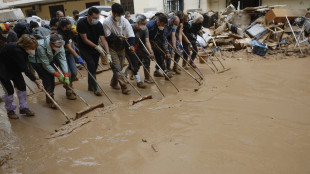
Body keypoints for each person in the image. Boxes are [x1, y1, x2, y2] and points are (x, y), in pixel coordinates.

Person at [0, 34, 43, 119]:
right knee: (10, 92)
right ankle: (10, 110)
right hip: (3, 71)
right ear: (25, 46)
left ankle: (23, 108)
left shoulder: (24, 50)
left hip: (15, 69)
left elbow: (25, 64)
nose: (33, 50)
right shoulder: (16, 50)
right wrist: (37, 82)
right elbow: (25, 69)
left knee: (22, 88)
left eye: (34, 47)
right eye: (32, 48)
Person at [29, 33, 70, 109]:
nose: (59, 47)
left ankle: (50, 96)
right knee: (47, 79)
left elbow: (63, 59)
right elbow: (46, 64)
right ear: (51, 43)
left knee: (51, 78)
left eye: (61, 46)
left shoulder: (60, 44)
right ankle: (50, 99)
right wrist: (58, 75)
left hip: (49, 58)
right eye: (57, 46)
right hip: (37, 62)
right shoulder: (41, 46)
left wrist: (66, 74)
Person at [77, 7, 111, 96]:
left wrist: (108, 53)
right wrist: (97, 47)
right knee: (91, 64)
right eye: (94, 18)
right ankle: (96, 88)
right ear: (89, 16)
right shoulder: (81, 23)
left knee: (94, 67)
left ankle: (90, 86)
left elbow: (103, 40)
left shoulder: (99, 25)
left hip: (95, 48)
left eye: (97, 18)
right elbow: (84, 39)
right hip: (84, 48)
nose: (96, 20)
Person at [103, 3, 134, 95]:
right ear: (113, 13)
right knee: (117, 67)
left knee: (119, 67)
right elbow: (108, 36)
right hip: (111, 46)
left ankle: (113, 82)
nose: (119, 16)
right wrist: (117, 36)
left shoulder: (124, 20)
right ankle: (124, 87)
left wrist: (131, 45)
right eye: (118, 15)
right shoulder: (107, 22)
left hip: (122, 46)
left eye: (121, 15)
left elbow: (130, 33)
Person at [57, 18, 85, 99]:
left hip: (70, 54)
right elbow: (68, 47)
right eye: (67, 28)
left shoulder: (70, 31)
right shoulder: (60, 34)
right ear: (62, 27)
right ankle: (69, 91)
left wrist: (73, 46)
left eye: (69, 28)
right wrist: (78, 57)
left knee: (74, 72)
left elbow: (71, 41)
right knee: (67, 74)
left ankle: (68, 84)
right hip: (62, 56)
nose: (68, 29)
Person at [130, 14, 155, 85]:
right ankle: (131, 73)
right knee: (136, 61)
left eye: (145, 23)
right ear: (138, 22)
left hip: (141, 45)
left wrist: (151, 51)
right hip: (132, 46)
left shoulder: (145, 29)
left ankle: (147, 78)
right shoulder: (131, 27)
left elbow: (147, 41)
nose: (145, 25)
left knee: (147, 58)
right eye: (143, 23)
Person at [147, 13, 173, 79]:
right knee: (144, 60)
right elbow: (145, 38)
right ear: (158, 22)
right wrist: (150, 50)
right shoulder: (149, 25)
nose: (164, 27)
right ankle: (133, 73)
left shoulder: (162, 27)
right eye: (163, 25)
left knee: (161, 55)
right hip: (146, 43)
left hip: (155, 42)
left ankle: (163, 72)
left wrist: (166, 51)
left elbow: (163, 39)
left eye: (165, 25)